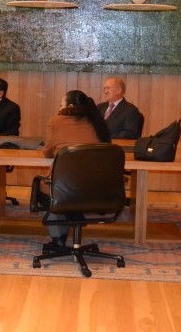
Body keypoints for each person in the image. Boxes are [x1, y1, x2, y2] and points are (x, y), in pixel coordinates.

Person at [40, 90, 111, 246]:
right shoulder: (96, 122)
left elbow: (47, 152)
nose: (59, 108)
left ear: (70, 106)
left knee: (49, 187)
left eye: (61, 104)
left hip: (63, 186)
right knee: (64, 187)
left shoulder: (56, 121)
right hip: (94, 186)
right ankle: (73, 214)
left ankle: (58, 239)